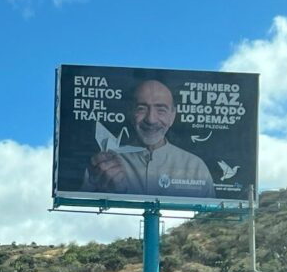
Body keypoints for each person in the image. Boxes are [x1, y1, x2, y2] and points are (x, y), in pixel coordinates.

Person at [84, 80, 214, 198]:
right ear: (130, 112)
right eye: (141, 109)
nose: (151, 120)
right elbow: (85, 209)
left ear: (172, 116)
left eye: (161, 110)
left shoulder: (196, 167)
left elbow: (209, 215)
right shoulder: (104, 164)